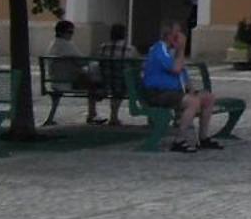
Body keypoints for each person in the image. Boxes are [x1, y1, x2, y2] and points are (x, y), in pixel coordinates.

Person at [140, 21, 221, 153]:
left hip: (173, 92)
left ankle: (203, 138)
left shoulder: (171, 52)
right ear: (170, 36)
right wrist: (182, 49)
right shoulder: (159, 50)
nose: (181, 37)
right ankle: (179, 140)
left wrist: (192, 89)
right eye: (177, 34)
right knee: (193, 102)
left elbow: (182, 73)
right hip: (158, 93)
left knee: (208, 98)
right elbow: (176, 69)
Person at [45, 17, 108, 125]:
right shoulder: (66, 45)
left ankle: (94, 108)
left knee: (91, 79)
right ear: (62, 32)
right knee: (95, 82)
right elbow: (82, 61)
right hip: (67, 82)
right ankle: (92, 113)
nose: (71, 35)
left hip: (56, 81)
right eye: (69, 32)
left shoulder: (54, 44)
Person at [94, 22, 131, 127]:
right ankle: (114, 116)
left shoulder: (103, 47)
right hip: (121, 82)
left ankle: (111, 116)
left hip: (105, 81)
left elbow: (98, 62)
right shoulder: (128, 49)